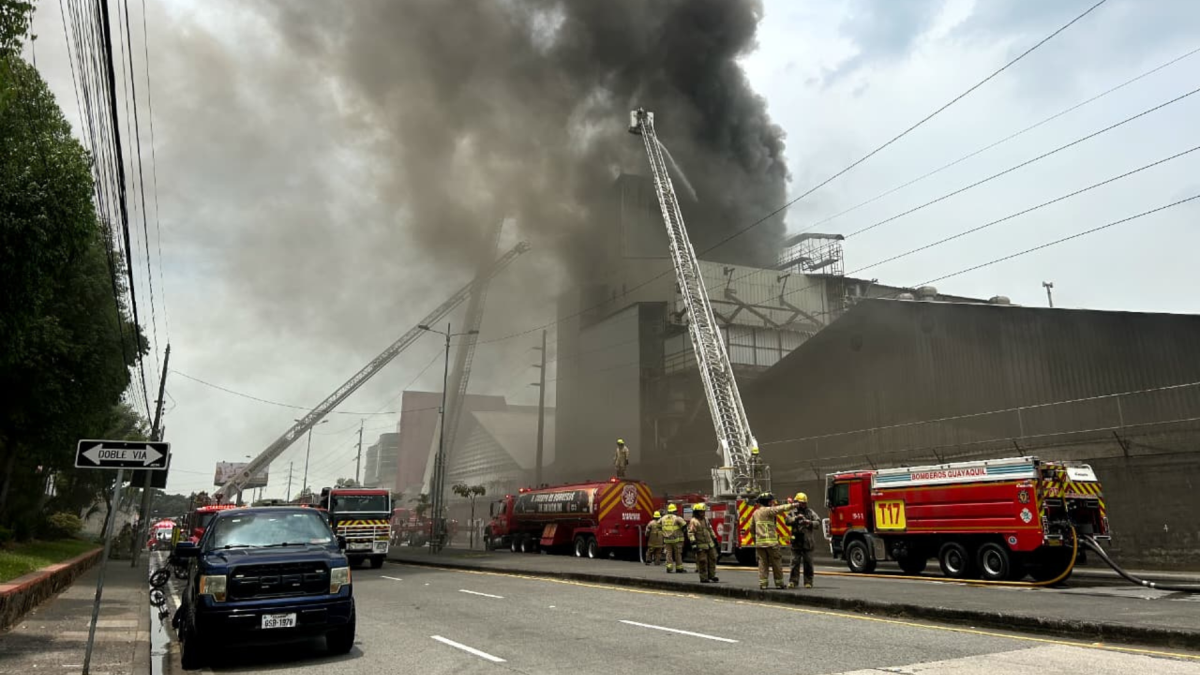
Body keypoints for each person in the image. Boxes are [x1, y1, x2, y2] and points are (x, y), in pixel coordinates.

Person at [752, 492, 796, 590]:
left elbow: (752, 528)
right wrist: (793, 505)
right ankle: (779, 584)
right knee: (776, 563)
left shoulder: (755, 513)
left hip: (760, 544)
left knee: (762, 564)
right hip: (771, 544)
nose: (772, 503)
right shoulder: (768, 510)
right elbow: (780, 508)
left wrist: (755, 540)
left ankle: (763, 584)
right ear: (767, 502)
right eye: (771, 501)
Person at [786, 492, 821, 589]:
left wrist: (809, 522)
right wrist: (796, 518)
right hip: (796, 542)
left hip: (807, 542)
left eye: (804, 503)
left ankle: (808, 582)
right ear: (797, 502)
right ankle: (793, 581)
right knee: (794, 563)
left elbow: (818, 522)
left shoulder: (810, 512)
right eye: (801, 503)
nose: (803, 505)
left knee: (808, 563)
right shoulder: (792, 512)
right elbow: (787, 521)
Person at [687, 503, 720, 583]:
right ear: (697, 512)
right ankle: (704, 577)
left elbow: (710, 529)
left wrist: (715, 538)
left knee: (713, 559)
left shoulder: (705, 519)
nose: (703, 513)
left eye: (703, 511)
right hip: (700, 544)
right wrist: (693, 543)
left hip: (709, 544)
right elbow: (691, 533)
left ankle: (712, 575)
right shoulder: (694, 521)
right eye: (701, 512)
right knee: (702, 561)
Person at [659, 504, 687, 573]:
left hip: (667, 540)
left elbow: (658, 525)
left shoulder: (663, 518)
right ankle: (679, 568)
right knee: (678, 554)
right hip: (676, 540)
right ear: (674, 511)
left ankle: (669, 567)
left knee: (668, 553)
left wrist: (663, 531)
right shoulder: (677, 518)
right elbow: (684, 525)